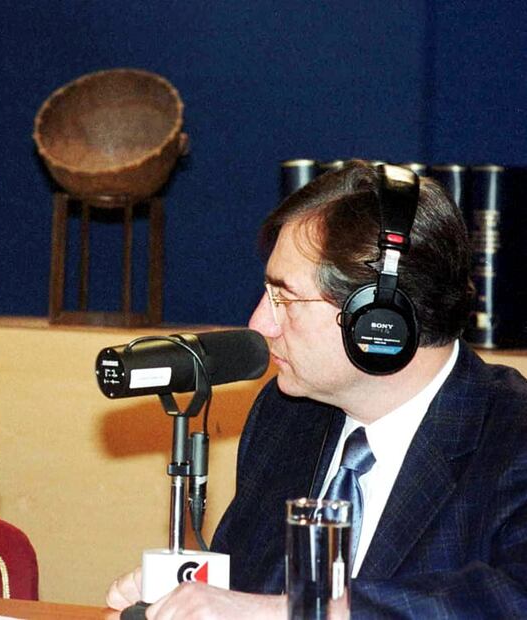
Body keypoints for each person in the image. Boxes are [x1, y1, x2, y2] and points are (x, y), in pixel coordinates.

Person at [107, 161, 527, 617]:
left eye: (285, 298)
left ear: (380, 321)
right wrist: (176, 596)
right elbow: (243, 591)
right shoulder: (287, 415)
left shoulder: (512, 437)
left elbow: (511, 599)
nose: (259, 324)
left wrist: (298, 613)